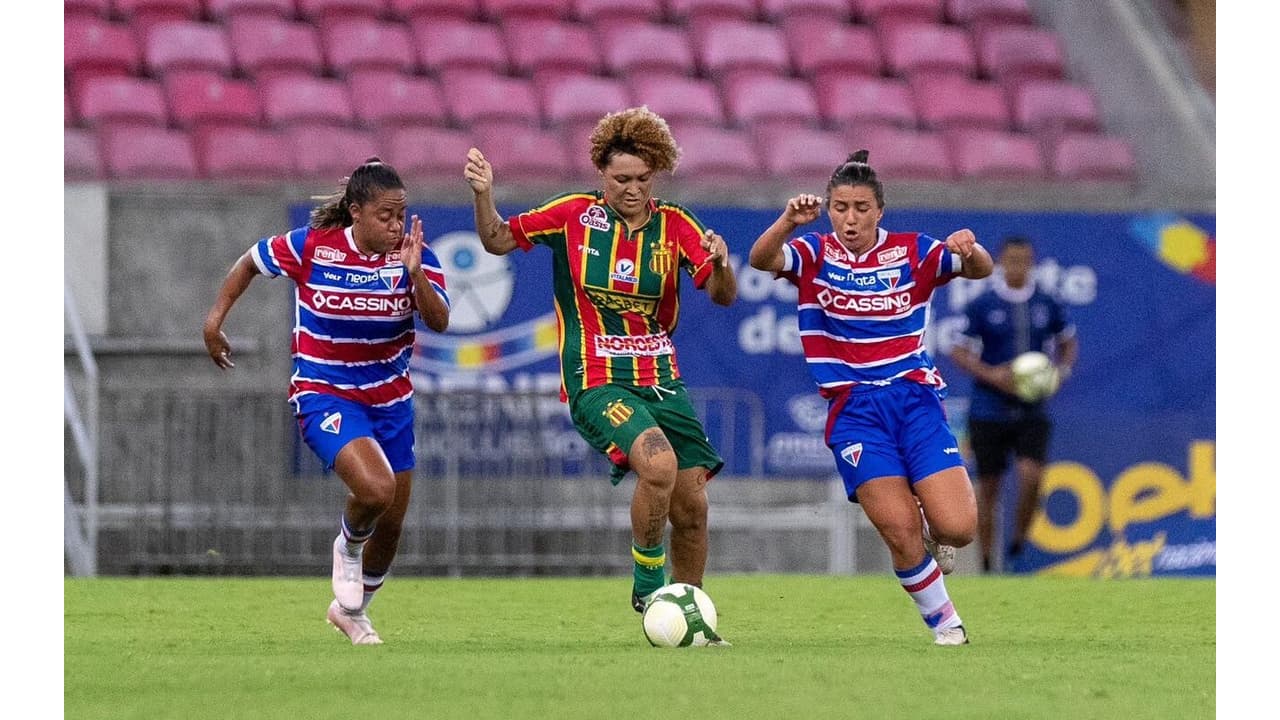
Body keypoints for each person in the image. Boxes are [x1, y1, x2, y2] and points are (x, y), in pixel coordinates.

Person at [463, 107, 738, 628]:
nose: (632, 189)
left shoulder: (676, 225)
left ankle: (689, 619)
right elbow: (497, 239)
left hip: (661, 379)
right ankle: (649, 584)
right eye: (621, 179)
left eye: (642, 179)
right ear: (600, 176)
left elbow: (722, 296)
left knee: (693, 511)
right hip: (595, 377)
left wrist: (722, 263)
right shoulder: (572, 216)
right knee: (656, 465)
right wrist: (484, 195)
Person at [748, 150, 993, 646]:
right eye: (840, 207)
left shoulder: (913, 251)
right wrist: (788, 222)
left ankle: (933, 523)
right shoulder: (814, 253)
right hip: (856, 410)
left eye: (861, 207)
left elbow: (980, 270)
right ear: (830, 208)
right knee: (899, 532)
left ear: (880, 210)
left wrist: (970, 249)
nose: (850, 218)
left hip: (915, 400)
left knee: (960, 529)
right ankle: (946, 624)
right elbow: (761, 259)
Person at [201, 158, 451, 645]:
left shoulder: (415, 256)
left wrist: (416, 275)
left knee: (394, 520)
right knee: (376, 491)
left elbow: (439, 321)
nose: (396, 225)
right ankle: (348, 545)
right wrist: (215, 320)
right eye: (385, 215)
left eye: (401, 214)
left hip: (391, 399)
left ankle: (353, 612)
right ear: (355, 212)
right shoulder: (313, 247)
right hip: (325, 391)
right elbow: (251, 260)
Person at [948, 235, 1078, 573]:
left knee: (1031, 475)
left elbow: (1067, 344)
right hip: (988, 407)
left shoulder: (1047, 303)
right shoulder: (982, 304)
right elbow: (959, 350)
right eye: (1012, 259)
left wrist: (1058, 375)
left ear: (1032, 262)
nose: (1018, 266)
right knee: (988, 488)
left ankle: (1019, 538)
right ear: (1001, 262)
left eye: (1025, 260)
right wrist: (991, 374)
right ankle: (988, 562)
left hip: (1031, 408)